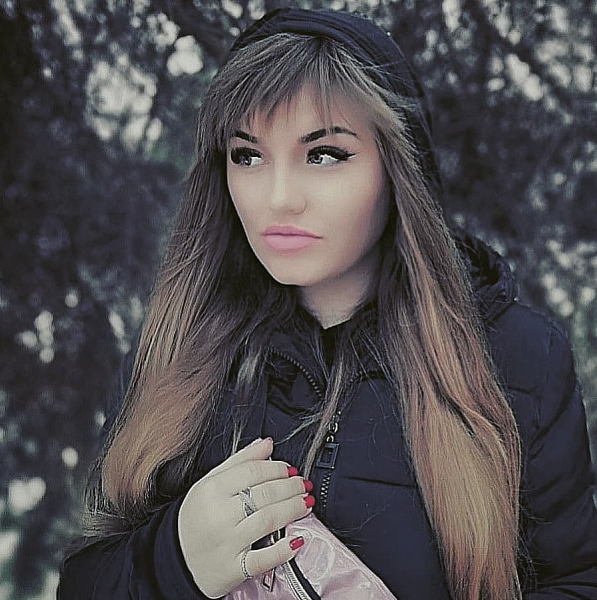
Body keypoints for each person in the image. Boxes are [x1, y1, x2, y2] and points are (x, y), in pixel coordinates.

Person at [57, 7, 597, 600]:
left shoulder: (519, 360)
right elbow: (83, 582)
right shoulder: (174, 352)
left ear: (398, 168)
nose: (278, 198)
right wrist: (173, 561)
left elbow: (576, 581)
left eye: (324, 154)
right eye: (247, 155)